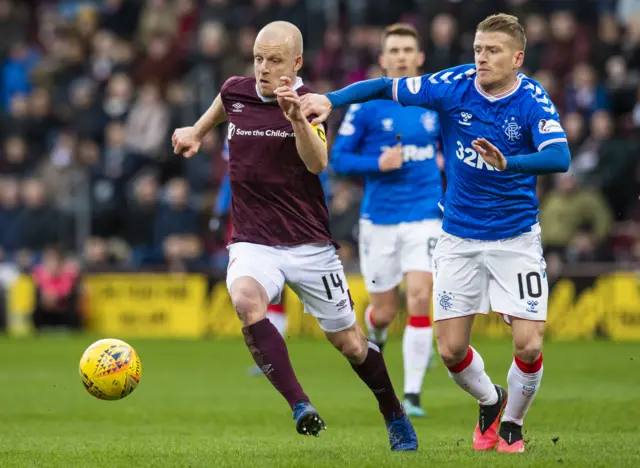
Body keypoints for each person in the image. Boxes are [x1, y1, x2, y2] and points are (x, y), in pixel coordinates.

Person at [301, 13, 571, 453]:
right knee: (449, 351)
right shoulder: (453, 84)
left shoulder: (533, 100)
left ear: (517, 57)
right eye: (478, 49)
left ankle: (513, 426)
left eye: (493, 51)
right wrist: (330, 99)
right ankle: (491, 401)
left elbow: (559, 156)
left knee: (527, 343)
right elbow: (382, 87)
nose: (481, 58)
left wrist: (510, 163)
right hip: (459, 237)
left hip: (516, 237)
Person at [172, 21, 417, 451]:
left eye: (275, 60)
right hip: (253, 239)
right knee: (247, 302)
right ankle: (300, 404)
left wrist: (296, 120)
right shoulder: (237, 89)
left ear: (297, 63)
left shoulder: (309, 104)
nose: (263, 68)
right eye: (258, 59)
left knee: (352, 345)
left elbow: (319, 163)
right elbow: (225, 101)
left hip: (308, 245)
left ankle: (394, 412)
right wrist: (196, 130)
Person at [331, 23, 441, 418]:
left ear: (419, 58)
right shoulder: (366, 105)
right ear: (382, 59)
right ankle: (375, 334)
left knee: (419, 296)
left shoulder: (434, 100)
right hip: (379, 219)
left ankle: (411, 394)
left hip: (426, 212)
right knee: (382, 313)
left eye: (407, 49)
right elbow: (338, 158)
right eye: (393, 50)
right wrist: (376, 163)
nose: (400, 56)